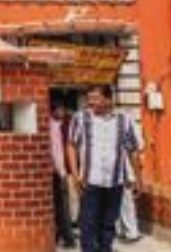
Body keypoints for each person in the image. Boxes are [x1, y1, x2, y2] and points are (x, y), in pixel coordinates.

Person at [66, 85, 141, 252]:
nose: (91, 103)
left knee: (108, 225)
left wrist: (138, 179)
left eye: (96, 98)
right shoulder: (81, 118)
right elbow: (71, 145)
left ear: (108, 99)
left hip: (115, 182)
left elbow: (132, 150)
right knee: (88, 224)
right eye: (89, 98)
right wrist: (75, 174)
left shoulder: (124, 120)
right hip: (89, 181)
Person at [49, 102, 77, 248]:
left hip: (59, 172)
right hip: (58, 173)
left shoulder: (61, 125)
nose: (63, 112)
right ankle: (68, 238)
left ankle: (62, 236)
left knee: (61, 206)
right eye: (60, 109)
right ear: (54, 110)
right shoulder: (53, 126)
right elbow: (56, 152)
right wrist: (62, 172)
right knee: (62, 206)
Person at [116, 115, 145, 242]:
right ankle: (123, 230)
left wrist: (137, 177)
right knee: (121, 204)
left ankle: (132, 232)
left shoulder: (129, 131)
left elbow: (135, 152)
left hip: (126, 171)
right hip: (120, 172)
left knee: (126, 203)